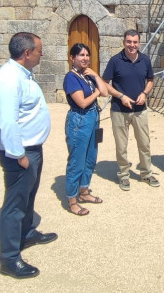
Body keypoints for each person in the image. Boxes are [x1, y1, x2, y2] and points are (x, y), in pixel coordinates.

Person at [0, 32, 56, 279]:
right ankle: (9, 259)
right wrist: (20, 156)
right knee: (15, 204)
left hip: (31, 149)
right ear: (27, 53)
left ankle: (25, 234)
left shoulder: (21, 75)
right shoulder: (8, 80)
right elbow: (7, 123)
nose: (42, 53)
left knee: (28, 196)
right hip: (20, 153)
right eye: (39, 50)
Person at [102, 30, 160, 191]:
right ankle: (124, 176)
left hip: (140, 110)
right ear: (124, 42)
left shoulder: (145, 60)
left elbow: (150, 80)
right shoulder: (115, 61)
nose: (132, 45)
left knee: (145, 143)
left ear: (139, 43)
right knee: (121, 146)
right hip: (119, 110)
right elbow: (105, 83)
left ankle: (146, 173)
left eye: (135, 42)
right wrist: (121, 96)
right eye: (129, 41)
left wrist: (145, 93)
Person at [64, 43, 108, 215]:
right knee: (77, 160)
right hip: (79, 121)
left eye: (87, 55)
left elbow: (105, 92)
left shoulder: (88, 75)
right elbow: (82, 102)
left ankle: (84, 191)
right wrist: (96, 93)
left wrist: (96, 76)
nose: (85, 58)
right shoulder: (71, 77)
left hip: (93, 119)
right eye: (81, 55)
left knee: (91, 157)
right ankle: (72, 200)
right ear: (72, 58)